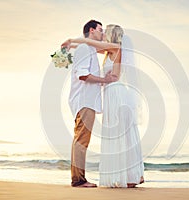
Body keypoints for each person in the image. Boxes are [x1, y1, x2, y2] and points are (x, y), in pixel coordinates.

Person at [62, 24, 144, 188]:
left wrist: (72, 40)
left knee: (120, 134)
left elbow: (92, 43)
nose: (103, 33)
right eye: (101, 30)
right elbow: (90, 45)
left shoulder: (115, 47)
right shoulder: (108, 51)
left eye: (105, 31)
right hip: (110, 93)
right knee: (118, 134)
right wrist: (73, 45)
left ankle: (131, 175)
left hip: (115, 93)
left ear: (112, 35)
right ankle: (129, 176)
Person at [65, 20, 118, 188]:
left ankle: (78, 179)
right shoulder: (84, 49)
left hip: (88, 101)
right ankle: (78, 180)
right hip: (84, 101)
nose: (103, 34)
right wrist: (104, 80)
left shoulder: (89, 49)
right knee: (81, 141)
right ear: (91, 30)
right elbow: (83, 75)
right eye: (100, 30)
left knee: (81, 140)